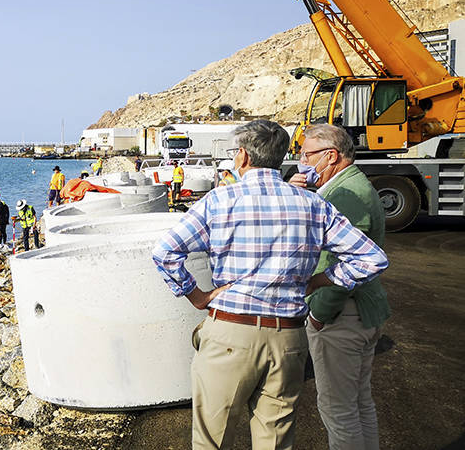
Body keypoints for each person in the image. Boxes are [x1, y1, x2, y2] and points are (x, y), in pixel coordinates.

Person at [151, 120, 388, 450]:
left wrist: (197, 296)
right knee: (275, 440)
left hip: (231, 332)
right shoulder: (314, 204)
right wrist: (319, 280)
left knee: (212, 440)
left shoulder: (219, 201)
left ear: (244, 157)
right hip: (288, 337)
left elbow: (165, 253)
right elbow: (371, 259)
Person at [290, 124, 389, 450]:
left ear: (330, 156)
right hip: (358, 311)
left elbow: (342, 261)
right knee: (359, 402)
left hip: (341, 315)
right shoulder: (342, 187)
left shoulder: (347, 195)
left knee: (337, 409)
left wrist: (320, 312)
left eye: (306, 154)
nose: (301, 161)